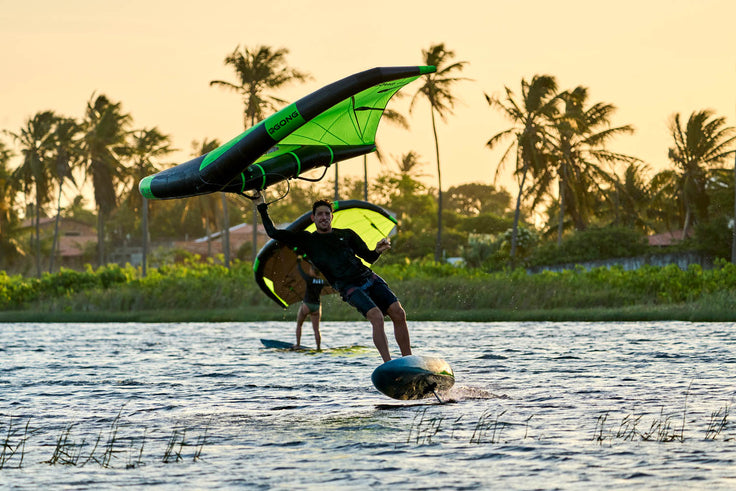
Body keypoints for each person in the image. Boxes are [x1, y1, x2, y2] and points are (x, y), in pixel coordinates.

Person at [255, 195, 411, 362]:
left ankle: (409, 361)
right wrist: (261, 205)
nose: (324, 217)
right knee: (376, 316)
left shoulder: (346, 234)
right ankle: (388, 364)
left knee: (399, 313)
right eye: (320, 214)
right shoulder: (307, 240)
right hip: (348, 286)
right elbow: (273, 233)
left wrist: (378, 250)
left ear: (332, 216)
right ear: (313, 218)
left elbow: (369, 257)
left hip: (368, 277)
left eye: (327, 214)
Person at [295, 256, 325, 350]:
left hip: (307, 305)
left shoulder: (309, 279)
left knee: (299, 325)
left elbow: (301, 272)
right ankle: (318, 348)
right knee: (316, 329)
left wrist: (298, 262)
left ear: (313, 271)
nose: (309, 271)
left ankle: (298, 345)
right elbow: (331, 283)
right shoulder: (322, 281)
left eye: (310, 270)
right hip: (316, 306)